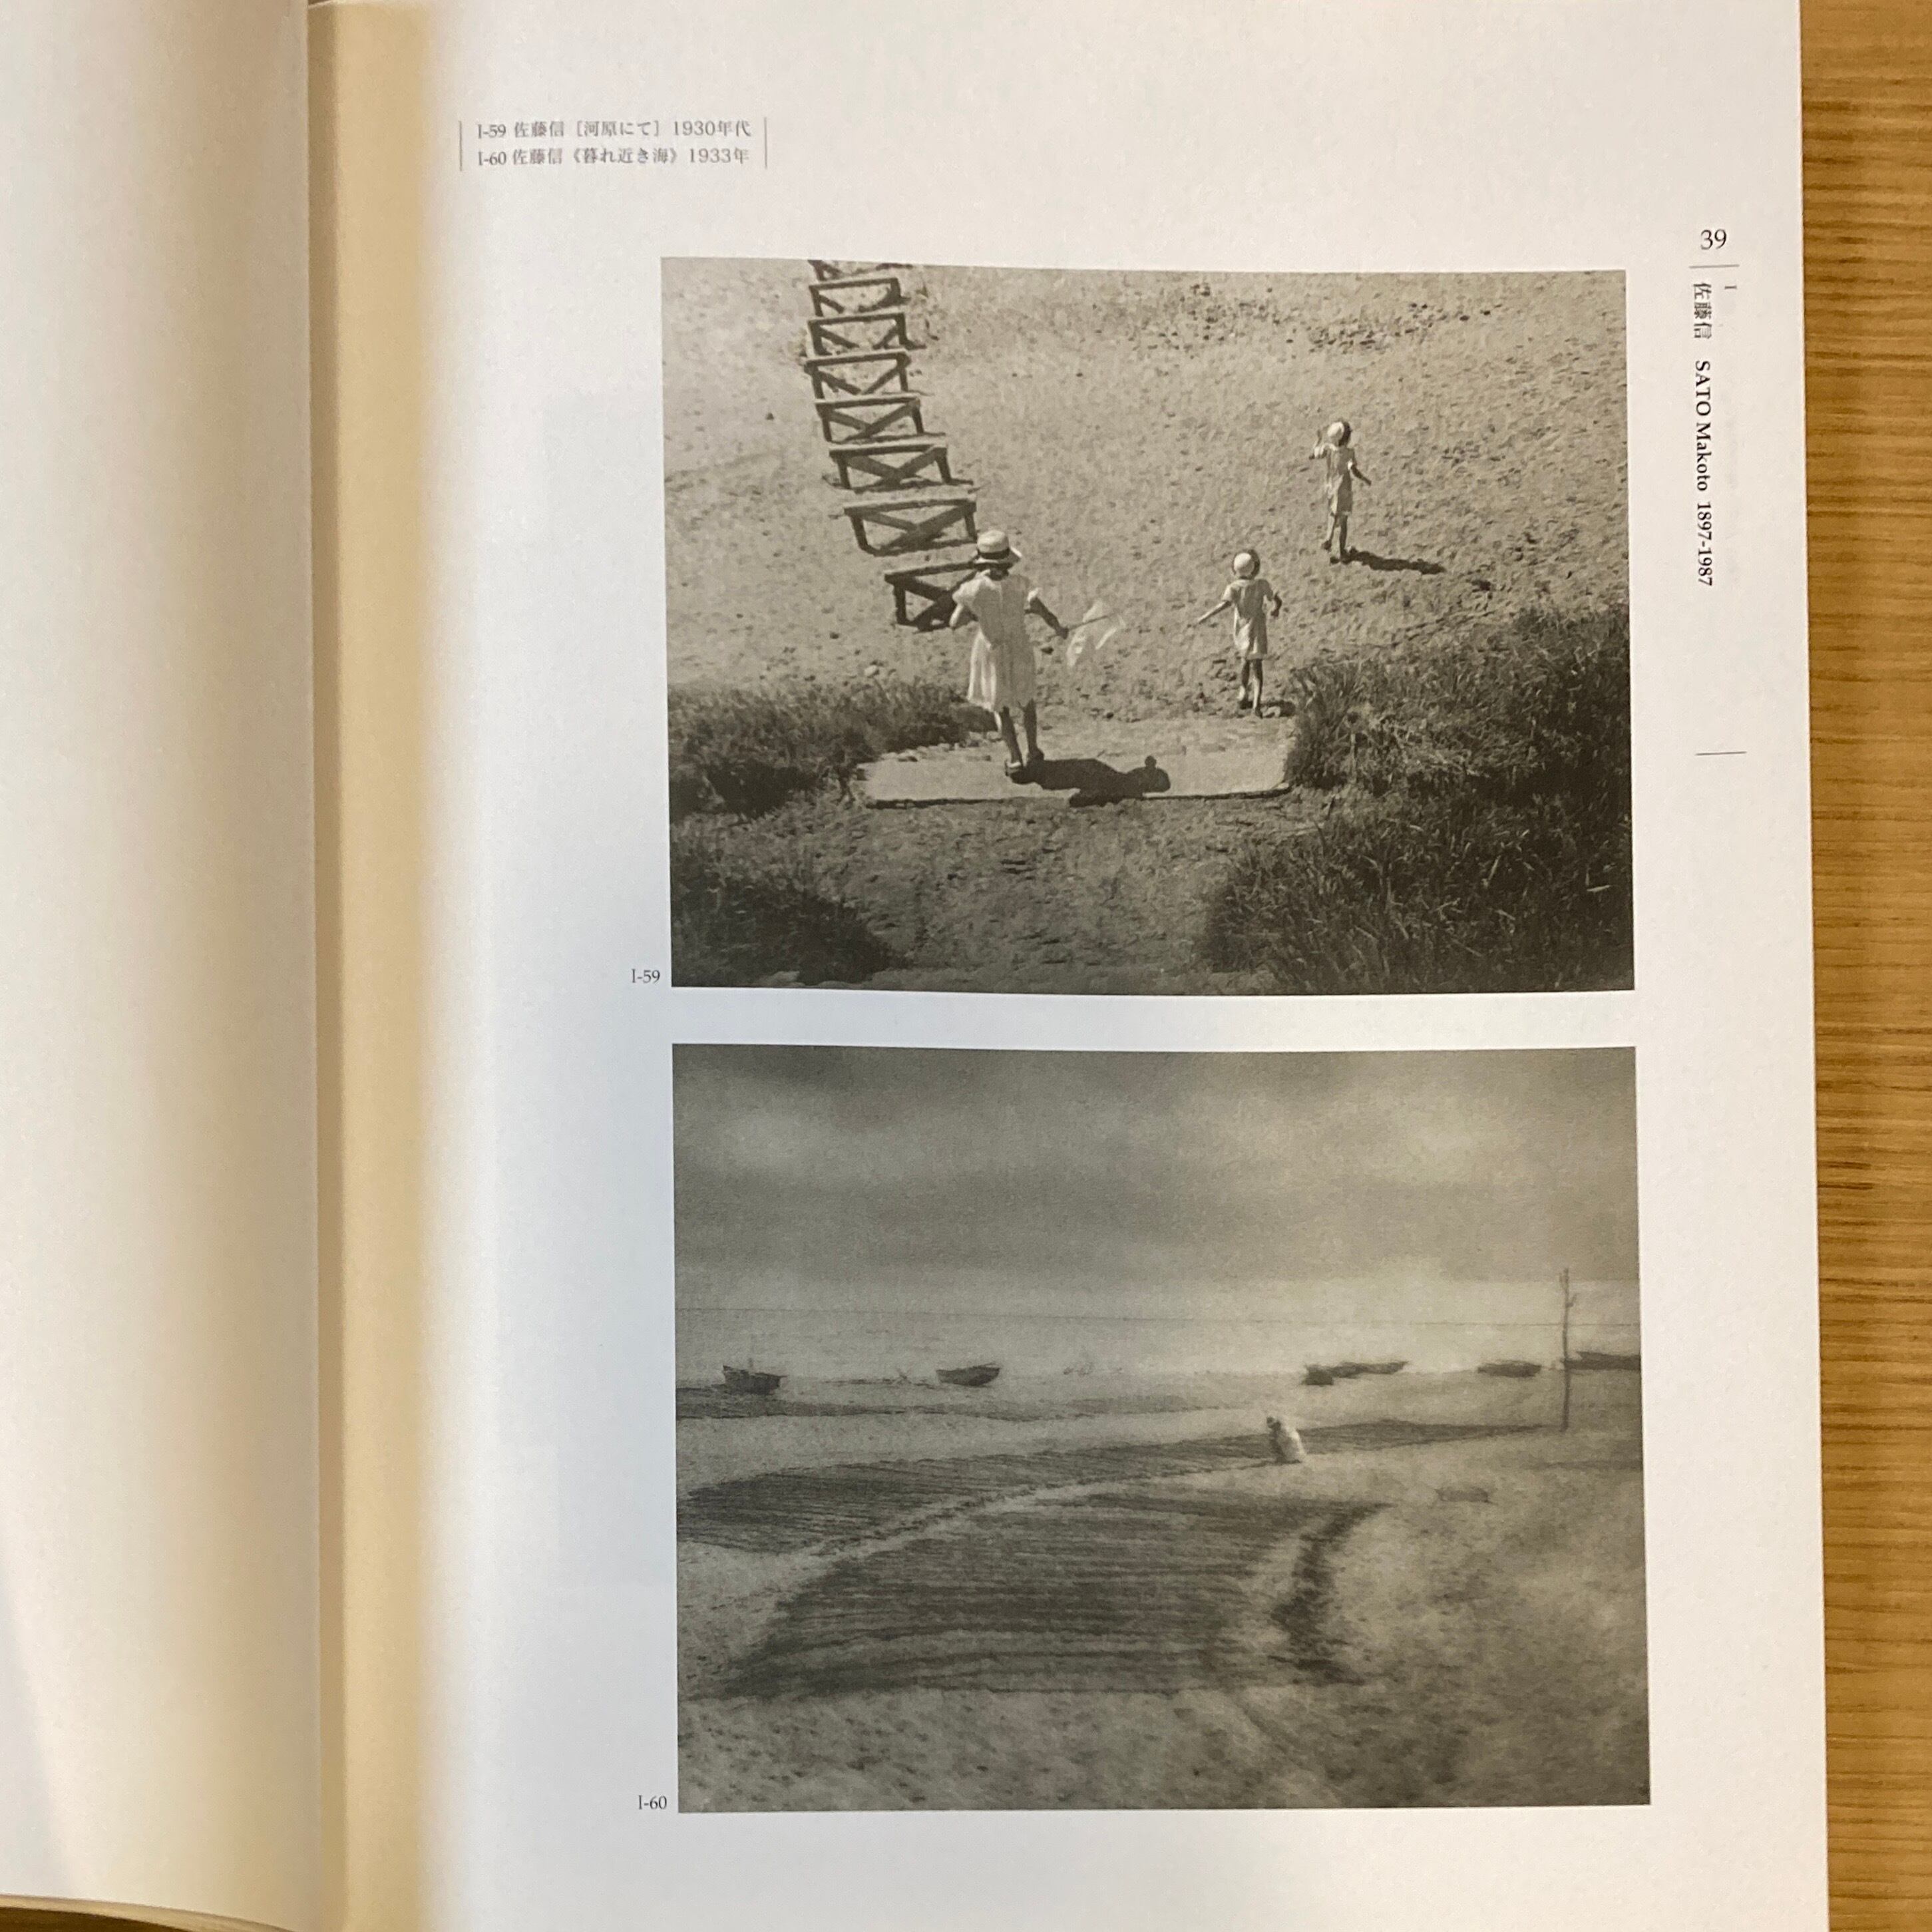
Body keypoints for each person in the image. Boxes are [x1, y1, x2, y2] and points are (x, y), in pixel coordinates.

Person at [949, 529, 1069, 777]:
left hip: (991, 648)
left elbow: (955, 622)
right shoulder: (1020, 584)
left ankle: (1015, 760)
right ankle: (1033, 751)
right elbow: (1044, 612)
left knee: (1000, 706)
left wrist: (978, 614)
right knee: (1027, 702)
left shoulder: (974, 589)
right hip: (1019, 647)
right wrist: (1058, 629)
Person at [1193, 548, 1282, 714]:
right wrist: (1275, 609)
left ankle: (1243, 691)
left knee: (1245, 661)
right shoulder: (1262, 584)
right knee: (1258, 666)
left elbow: (1222, 606)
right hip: (1258, 628)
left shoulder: (1234, 588)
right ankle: (1256, 704)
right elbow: (1276, 599)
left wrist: (1204, 617)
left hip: (1243, 630)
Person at [1309, 419, 1371, 563]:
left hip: (1331, 488)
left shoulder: (1328, 449)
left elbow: (1313, 454)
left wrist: (1318, 440)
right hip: (1344, 491)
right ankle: (1342, 552)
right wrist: (1365, 479)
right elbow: (1354, 470)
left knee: (1332, 514)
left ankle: (1328, 539)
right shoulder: (1349, 453)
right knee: (1343, 522)